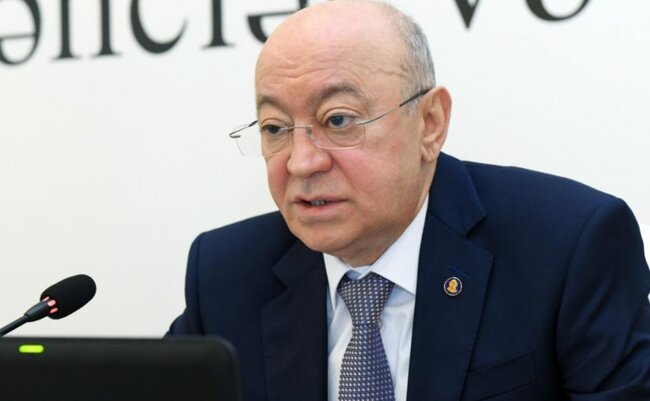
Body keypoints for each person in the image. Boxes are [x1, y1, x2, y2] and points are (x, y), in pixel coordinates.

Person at [168, 1, 650, 400]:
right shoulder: (225, 274)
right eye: (275, 128)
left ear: (430, 124)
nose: (301, 162)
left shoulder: (567, 248)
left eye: (338, 120)